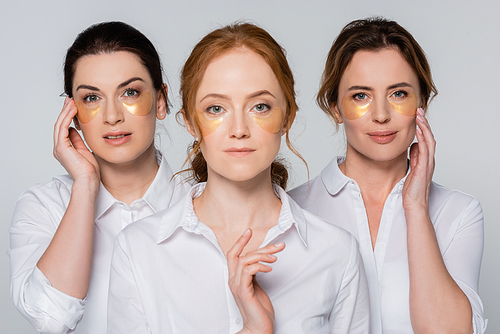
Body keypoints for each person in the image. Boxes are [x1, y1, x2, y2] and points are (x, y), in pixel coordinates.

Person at [108, 22, 370, 334]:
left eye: (260, 106)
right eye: (216, 108)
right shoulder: (139, 248)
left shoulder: (335, 252)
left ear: (288, 116)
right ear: (190, 122)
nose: (239, 129)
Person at [289, 17, 487, 334]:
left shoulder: (458, 213)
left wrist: (417, 208)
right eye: (360, 96)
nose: (381, 115)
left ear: (422, 102)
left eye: (398, 94)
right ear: (335, 107)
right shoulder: (291, 210)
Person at [9, 21, 188, 334]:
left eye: (130, 92)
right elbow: (50, 319)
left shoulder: (203, 199)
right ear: (72, 111)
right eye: (92, 98)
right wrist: (85, 187)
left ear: (161, 100)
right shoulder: (44, 206)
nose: (112, 116)